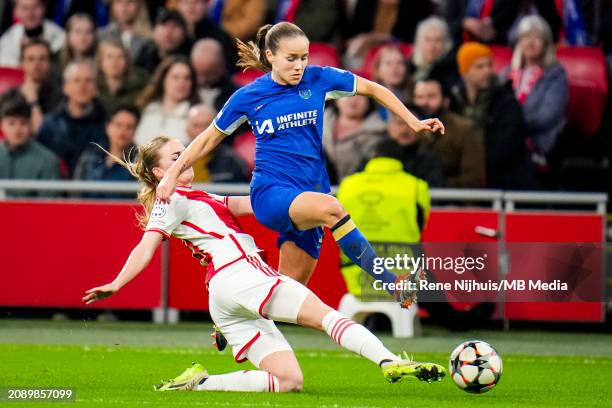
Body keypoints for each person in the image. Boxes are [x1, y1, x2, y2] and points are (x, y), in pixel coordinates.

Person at [82, 136, 445, 392]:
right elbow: (146, 247)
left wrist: (296, 198)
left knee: (288, 381)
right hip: (241, 274)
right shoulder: (170, 198)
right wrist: (117, 283)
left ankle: (202, 383)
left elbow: (253, 205)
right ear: (160, 173)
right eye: (176, 156)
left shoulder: (197, 195)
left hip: (224, 297)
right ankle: (390, 361)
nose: (186, 156)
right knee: (327, 316)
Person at [156, 22, 445, 309]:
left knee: (286, 295)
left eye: (304, 57)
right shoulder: (249, 96)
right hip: (272, 194)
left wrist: (414, 121)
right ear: (271, 57)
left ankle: (234, 314)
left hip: (309, 195)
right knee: (334, 209)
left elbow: (374, 89)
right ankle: (393, 285)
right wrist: (172, 174)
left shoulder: (318, 79)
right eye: (291, 58)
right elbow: (208, 138)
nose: (299, 66)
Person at [450, 42, 534, 190]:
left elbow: (506, 147)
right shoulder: (453, 101)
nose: (487, 71)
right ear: (464, 72)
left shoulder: (506, 102)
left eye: (489, 65)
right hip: (466, 179)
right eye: (479, 67)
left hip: (504, 181)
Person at [502, 15, 568, 160]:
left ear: (546, 44)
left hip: (538, 142)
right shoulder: (508, 72)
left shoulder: (556, 74)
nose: (530, 43)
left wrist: (513, 126)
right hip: (507, 139)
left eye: (537, 38)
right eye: (525, 37)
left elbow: (547, 116)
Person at [37, 60, 107, 177]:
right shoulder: (50, 125)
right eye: (76, 80)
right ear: (65, 87)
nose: (82, 86)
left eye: (88, 81)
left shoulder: (107, 124)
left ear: (95, 88)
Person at [413, 78, 485, 188]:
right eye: (419, 97)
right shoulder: (405, 128)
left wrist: (437, 185)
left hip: (452, 201)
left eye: (431, 96)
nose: (424, 102)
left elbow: (474, 178)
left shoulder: (465, 130)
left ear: (446, 101)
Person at [0, 89, 60, 197]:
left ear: (30, 125)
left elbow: (49, 206)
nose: (17, 130)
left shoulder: (47, 161)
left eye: (23, 123)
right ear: (1, 125)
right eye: (11, 123)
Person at [73, 105, 139, 198]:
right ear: (108, 127)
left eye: (129, 127)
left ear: (135, 131)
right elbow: (76, 193)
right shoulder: (90, 157)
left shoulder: (139, 162)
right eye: (118, 124)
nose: (123, 131)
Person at [135, 56, 200, 146]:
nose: (181, 83)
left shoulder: (197, 115)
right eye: (175, 77)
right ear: (163, 80)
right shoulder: (146, 109)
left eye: (187, 78)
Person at [322, 94, 386, 181]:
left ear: (369, 102)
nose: (354, 100)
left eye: (361, 95)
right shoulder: (317, 123)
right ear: (336, 100)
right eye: (348, 94)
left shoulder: (379, 132)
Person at [383, 106, 446, 188]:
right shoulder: (378, 153)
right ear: (389, 126)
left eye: (409, 124)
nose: (404, 129)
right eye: (399, 123)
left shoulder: (431, 157)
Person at [185, 104, 249, 183]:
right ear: (187, 129)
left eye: (207, 125)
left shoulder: (233, 161)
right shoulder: (176, 159)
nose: (202, 131)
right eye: (196, 125)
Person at [14, 39, 63, 133]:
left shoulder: (61, 96)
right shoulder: (11, 96)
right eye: (30, 59)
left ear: (50, 63)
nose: (36, 64)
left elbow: (43, 134)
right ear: (21, 63)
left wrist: (33, 102)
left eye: (42, 58)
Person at [0, 0, 65, 67]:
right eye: (25, 8)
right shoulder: (7, 39)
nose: (30, 14)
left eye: (35, 7)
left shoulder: (60, 37)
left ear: (44, 8)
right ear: (16, 11)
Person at [96, 39, 149, 114]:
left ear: (127, 62)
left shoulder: (139, 89)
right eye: (109, 57)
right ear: (100, 62)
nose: (115, 61)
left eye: (120, 57)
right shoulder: (93, 89)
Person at [407, 17, 460, 90]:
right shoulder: (409, 66)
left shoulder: (451, 71)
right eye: (427, 40)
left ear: (446, 43)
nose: (432, 46)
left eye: (438, 40)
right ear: (418, 42)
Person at [190, 38, 238, 112]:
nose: (201, 80)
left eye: (208, 74)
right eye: (196, 73)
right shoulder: (185, 89)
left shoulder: (235, 97)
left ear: (222, 67)